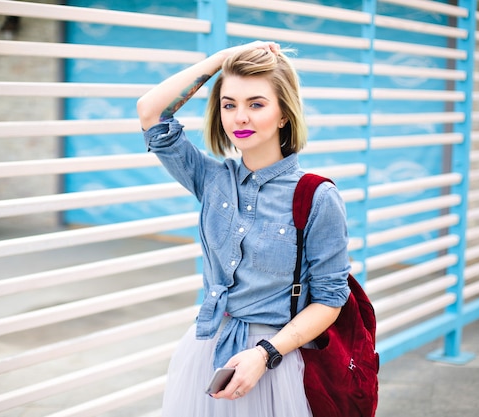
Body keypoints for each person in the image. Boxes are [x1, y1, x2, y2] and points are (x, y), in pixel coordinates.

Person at [137, 40, 351, 417]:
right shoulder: (211, 178)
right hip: (207, 349)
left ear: (284, 114)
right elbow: (150, 111)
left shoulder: (317, 196)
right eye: (229, 104)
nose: (240, 118)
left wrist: (264, 354)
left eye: (256, 104)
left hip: (274, 362)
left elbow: (331, 299)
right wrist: (222, 60)